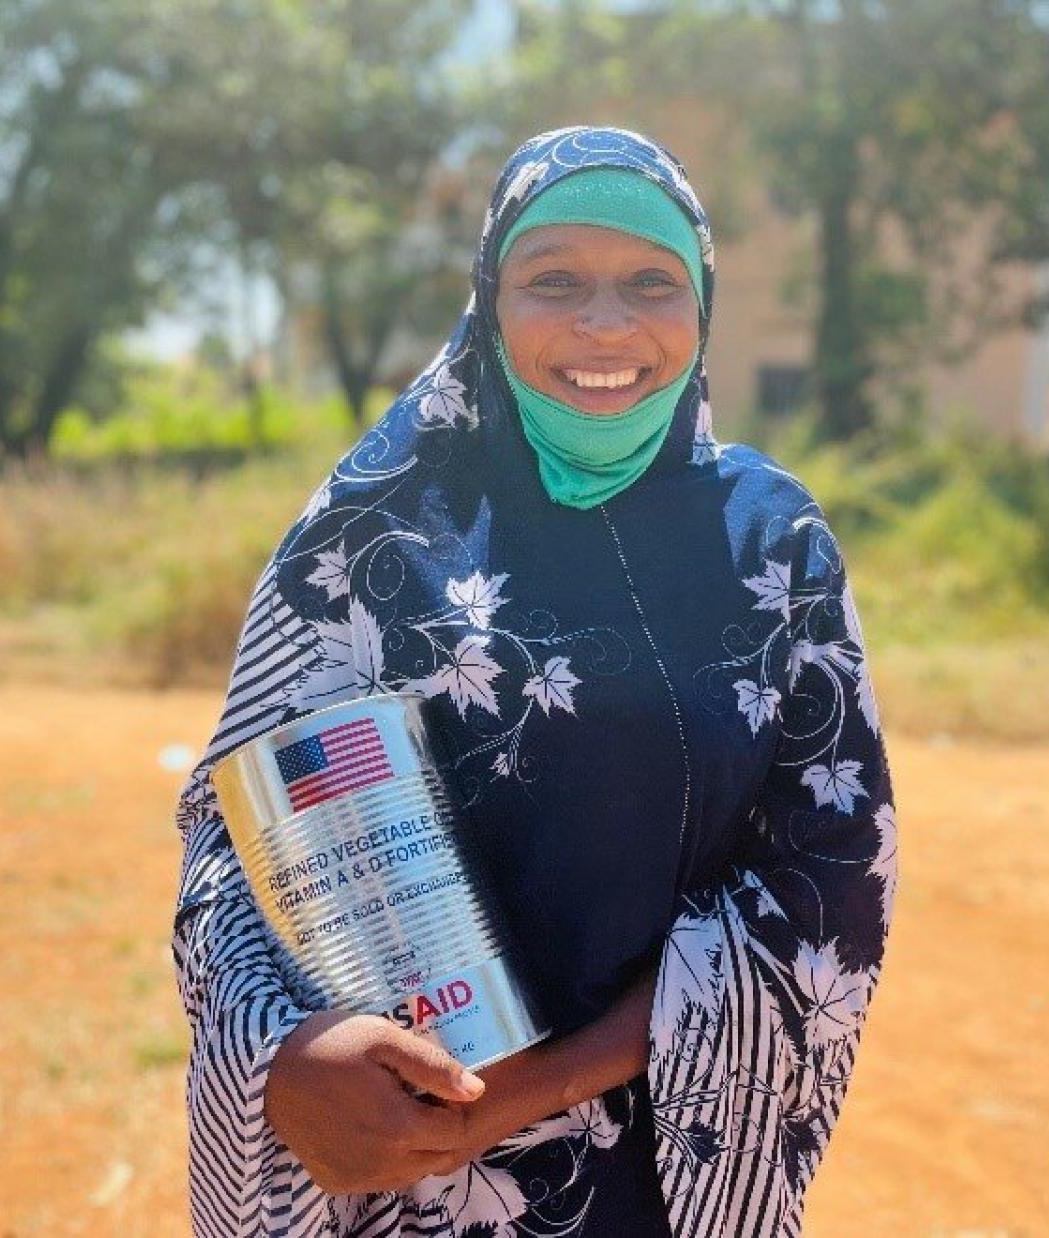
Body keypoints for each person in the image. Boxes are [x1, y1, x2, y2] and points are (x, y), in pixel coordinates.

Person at [170, 125, 899, 1237]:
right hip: (394, 1172)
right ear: (489, 302)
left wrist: (514, 1094)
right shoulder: (370, 529)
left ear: (700, 306)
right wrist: (285, 1054)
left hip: (665, 1180)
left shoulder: (772, 542)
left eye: (652, 282)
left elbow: (832, 869)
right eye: (554, 280)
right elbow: (235, 837)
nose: (605, 326)